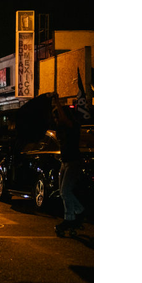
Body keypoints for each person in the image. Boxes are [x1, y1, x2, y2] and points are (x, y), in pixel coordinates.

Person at [51, 95, 85, 234]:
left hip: (73, 162)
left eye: (57, 117)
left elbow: (64, 118)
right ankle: (75, 215)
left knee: (65, 191)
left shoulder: (73, 126)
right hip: (65, 162)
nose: (57, 120)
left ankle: (74, 215)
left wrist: (58, 103)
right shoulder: (61, 129)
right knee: (63, 192)